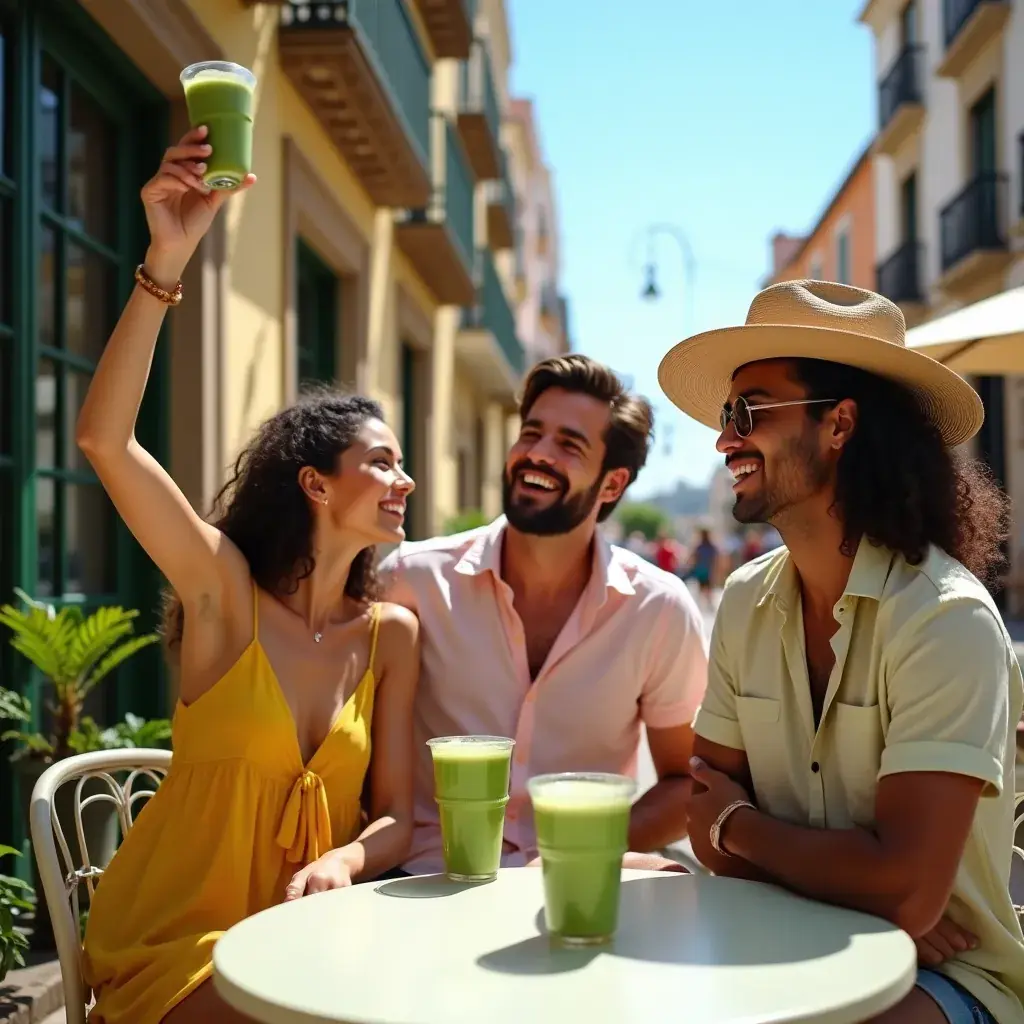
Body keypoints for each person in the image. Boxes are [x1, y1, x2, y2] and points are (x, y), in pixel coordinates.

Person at [77, 128, 420, 1024]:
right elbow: (104, 442)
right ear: (314, 483)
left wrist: (348, 859)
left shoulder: (392, 636)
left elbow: (393, 814)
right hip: (182, 945)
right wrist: (165, 264)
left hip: (307, 945)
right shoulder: (224, 592)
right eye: (381, 463)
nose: (404, 481)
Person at [659, 279, 1024, 1024]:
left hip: (950, 979)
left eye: (749, 412)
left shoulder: (943, 619)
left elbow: (906, 891)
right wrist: (867, 895)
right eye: (729, 416)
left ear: (839, 425)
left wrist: (744, 827)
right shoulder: (741, 600)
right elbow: (700, 816)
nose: (725, 438)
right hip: (786, 942)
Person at [380, 354, 708, 875]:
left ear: (611, 485)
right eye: (531, 434)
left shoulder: (658, 608)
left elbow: (686, 782)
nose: (536, 454)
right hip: (425, 880)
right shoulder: (411, 580)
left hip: (574, 889)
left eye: (568, 445)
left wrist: (580, 846)